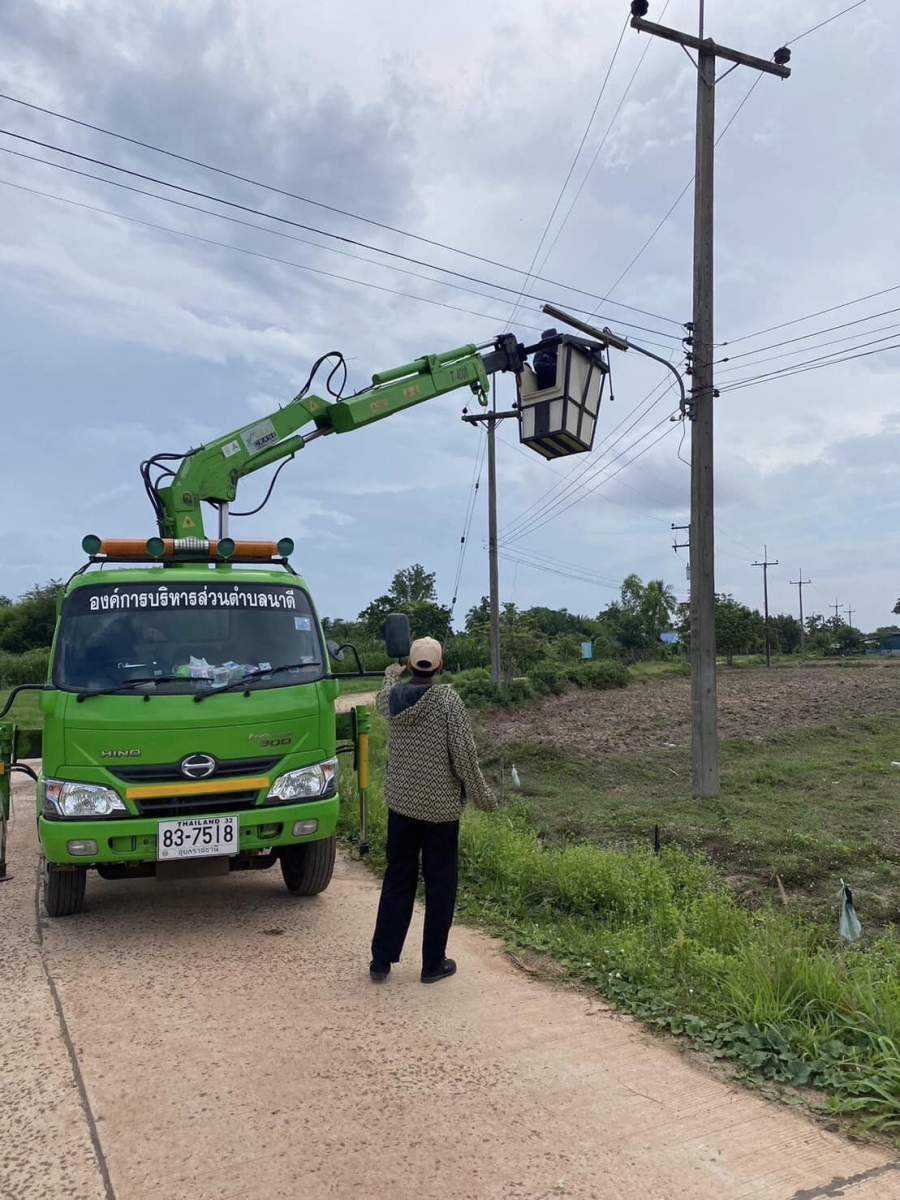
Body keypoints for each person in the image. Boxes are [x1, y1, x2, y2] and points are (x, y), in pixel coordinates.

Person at [369, 636, 495, 985]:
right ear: (440, 667)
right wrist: (484, 798)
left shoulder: (392, 699)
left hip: (401, 806)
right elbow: (464, 757)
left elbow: (381, 699)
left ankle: (381, 960)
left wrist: (390, 675)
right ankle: (432, 964)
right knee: (439, 886)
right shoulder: (448, 702)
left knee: (397, 881)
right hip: (440, 812)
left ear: (410, 666)